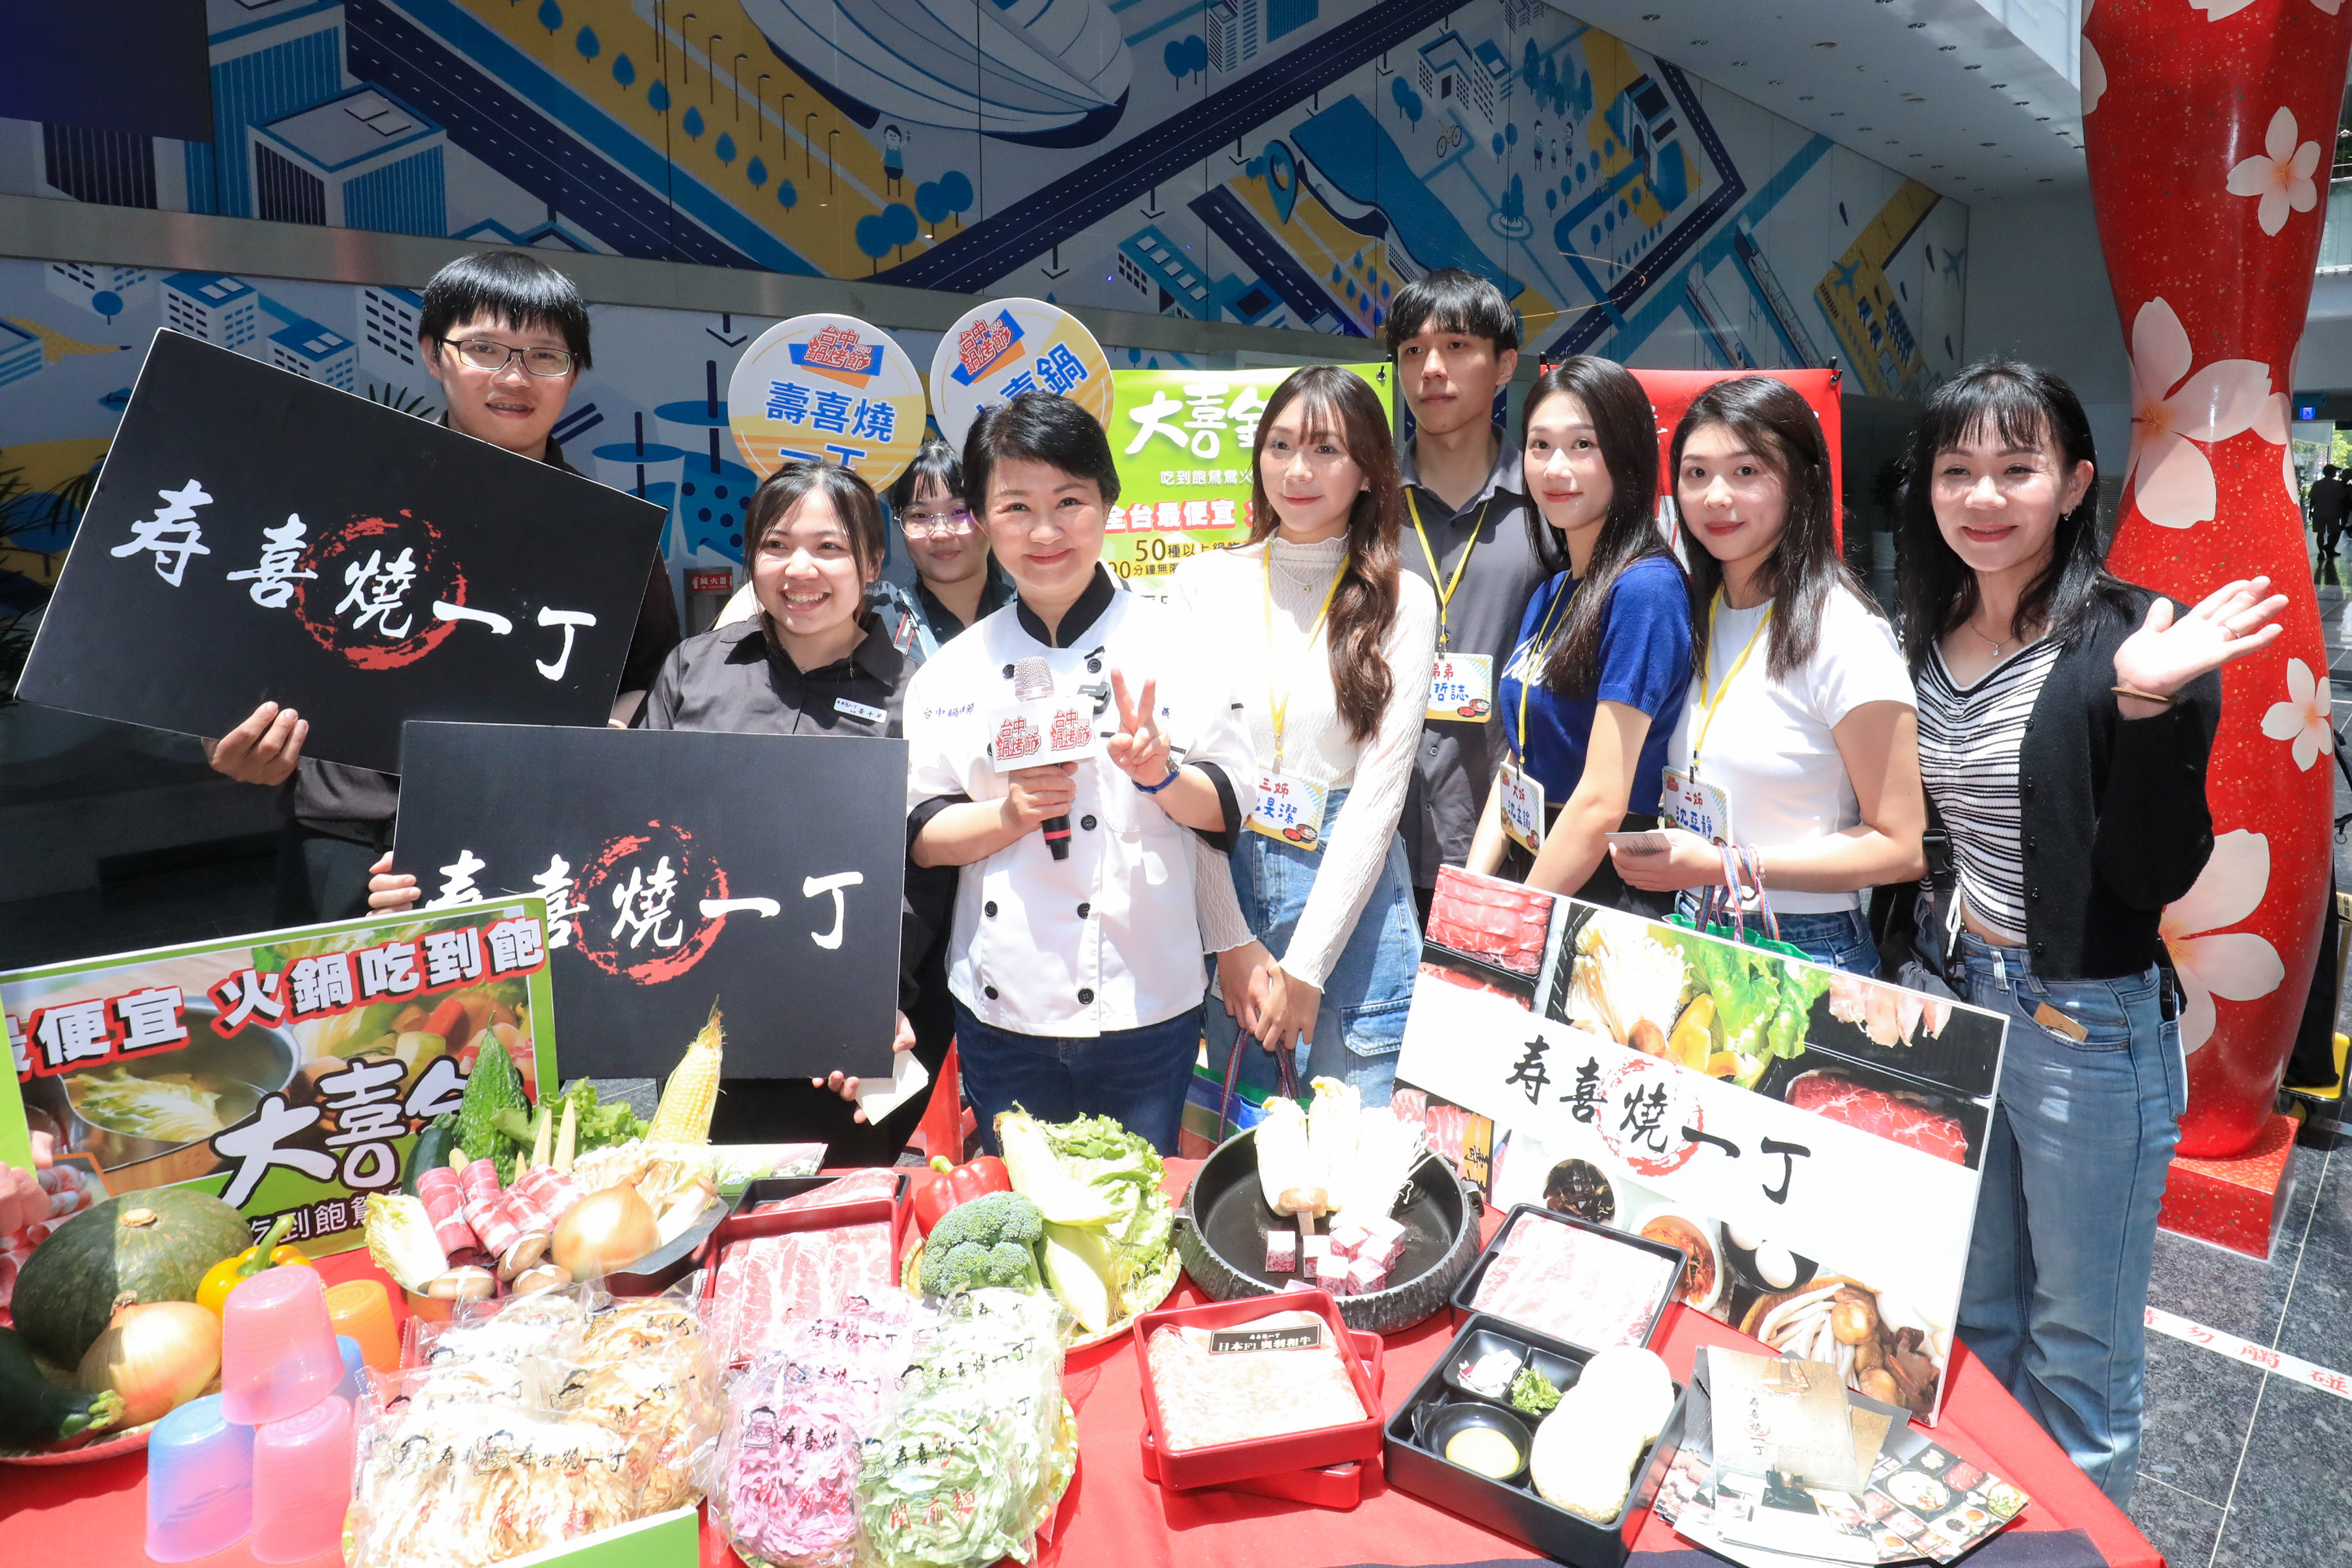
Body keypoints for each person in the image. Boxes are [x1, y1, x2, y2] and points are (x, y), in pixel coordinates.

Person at [1894, 360, 2284, 1506]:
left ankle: (2071, 1538)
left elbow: (2154, 876)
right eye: (1957, 470)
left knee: (2079, 1353)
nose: (1982, 496)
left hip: (2086, 1022)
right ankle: (1984, 1517)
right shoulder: (1926, 628)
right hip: (1962, 999)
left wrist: (2148, 705)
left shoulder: (2135, 638)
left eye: (2016, 468)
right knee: (1976, 1308)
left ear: (2074, 484)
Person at [369, 461, 934, 1161]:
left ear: (872, 562)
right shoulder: (695, 668)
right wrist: (435, 879)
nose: (800, 569)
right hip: (686, 1025)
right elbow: (612, 827)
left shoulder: (914, 696)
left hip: (834, 1040)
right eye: (776, 545)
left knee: (830, 1209)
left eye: (829, 548)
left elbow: (920, 877)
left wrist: (873, 994)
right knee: (688, 1202)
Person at [205, 251, 680, 924]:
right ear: (433, 353)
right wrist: (233, 739)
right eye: (484, 348)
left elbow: (653, 671)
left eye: (546, 356)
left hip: (530, 845)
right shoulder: (340, 496)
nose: (515, 377)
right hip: (346, 844)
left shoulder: (612, 533)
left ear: (574, 373)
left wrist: (603, 733)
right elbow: (247, 648)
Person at [903, 393, 1253, 1155]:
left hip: (1146, 1004)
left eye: (1069, 501)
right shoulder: (951, 671)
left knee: (1137, 1205)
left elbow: (1228, 806)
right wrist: (1008, 814)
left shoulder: (1180, 643)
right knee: (1018, 1203)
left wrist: (1161, 775)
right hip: (1004, 1008)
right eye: (1016, 507)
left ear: (1108, 504)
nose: (1045, 531)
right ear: (982, 518)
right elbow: (922, 835)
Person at [1173, 365, 1437, 1106]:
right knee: (1246, 1156)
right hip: (1227, 883)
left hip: (1353, 902)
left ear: (1368, 471)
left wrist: (1308, 968)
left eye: (1326, 450)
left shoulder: (1403, 601)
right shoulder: (1201, 582)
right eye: (1281, 445)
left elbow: (1379, 799)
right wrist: (1229, 938)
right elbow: (1187, 775)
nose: (1297, 470)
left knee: (1363, 1156)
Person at [1610, 375, 1926, 972]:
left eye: (1747, 471)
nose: (1716, 496)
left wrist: (1725, 865)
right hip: (1697, 925)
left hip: (1804, 948)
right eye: (1696, 473)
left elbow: (1901, 846)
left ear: (1802, 483)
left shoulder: (1844, 630)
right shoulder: (1695, 610)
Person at [1465, 356, 1690, 915]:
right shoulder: (1553, 590)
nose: (1556, 468)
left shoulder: (1645, 590)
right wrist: (1473, 894)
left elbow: (1601, 802)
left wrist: (1513, 917)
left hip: (1604, 892)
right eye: (1540, 446)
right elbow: (1518, 756)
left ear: (1627, 455)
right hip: (1537, 870)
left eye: (1583, 445)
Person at [1385, 269, 1548, 917]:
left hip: (1514, 852)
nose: (1431, 369)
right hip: (1377, 854)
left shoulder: (1550, 507)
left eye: (1456, 346)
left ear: (1504, 365)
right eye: (1412, 351)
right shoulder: (1363, 506)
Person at [884, 437, 1015, 654]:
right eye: (920, 515)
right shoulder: (881, 621)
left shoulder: (1036, 614)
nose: (940, 533)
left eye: (959, 512)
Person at [2308, 462, 2347, 585]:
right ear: (2333, 473)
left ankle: (2321, 551)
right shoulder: (2338, 486)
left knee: (2320, 532)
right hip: (2333, 512)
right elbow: (2342, 500)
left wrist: (2311, 510)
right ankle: (2330, 548)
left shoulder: (2317, 484)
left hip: (2319, 512)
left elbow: (2313, 499)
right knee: (2334, 531)